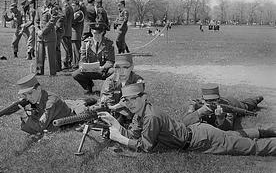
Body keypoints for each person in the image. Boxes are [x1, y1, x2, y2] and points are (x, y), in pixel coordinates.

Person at [98, 83, 276, 156]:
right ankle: (269, 130)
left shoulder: (150, 116)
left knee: (250, 148)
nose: (129, 104)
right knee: (235, 138)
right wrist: (115, 124)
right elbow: (134, 135)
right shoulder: (142, 112)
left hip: (202, 139)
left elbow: (145, 147)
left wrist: (119, 138)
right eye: (126, 101)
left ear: (144, 97)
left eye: (133, 99)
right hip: (200, 132)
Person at [15, 74, 95, 136]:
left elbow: (39, 127)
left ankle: (85, 101)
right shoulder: (36, 99)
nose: (28, 97)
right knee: (74, 102)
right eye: (24, 95)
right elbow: (33, 125)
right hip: (64, 106)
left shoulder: (50, 103)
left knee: (86, 106)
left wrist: (24, 116)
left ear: (39, 88)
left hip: (69, 116)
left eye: (30, 93)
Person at [182, 84, 265, 137]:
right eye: (208, 101)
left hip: (233, 103)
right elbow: (184, 123)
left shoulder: (227, 106)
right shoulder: (195, 104)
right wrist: (199, 112)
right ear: (203, 100)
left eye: (215, 100)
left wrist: (221, 119)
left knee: (246, 106)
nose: (212, 103)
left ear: (219, 98)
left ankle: (256, 99)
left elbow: (227, 129)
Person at [100, 53, 144, 126]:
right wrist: (116, 106)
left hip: (131, 110)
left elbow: (135, 100)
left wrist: (118, 105)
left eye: (125, 67)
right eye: (118, 67)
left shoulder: (138, 80)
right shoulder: (110, 80)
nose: (121, 71)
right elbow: (107, 100)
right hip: (115, 110)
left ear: (132, 67)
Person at [72, 22, 115, 94]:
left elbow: (110, 61)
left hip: (103, 70)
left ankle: (109, 88)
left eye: (99, 33)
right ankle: (89, 86)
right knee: (76, 74)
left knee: (115, 72)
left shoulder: (108, 43)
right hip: (89, 70)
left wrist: (103, 68)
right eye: (95, 33)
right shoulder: (86, 43)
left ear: (103, 32)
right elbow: (82, 59)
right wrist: (82, 66)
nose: (97, 36)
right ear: (92, 32)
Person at [34, 0, 58, 76]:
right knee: (40, 55)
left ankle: (52, 72)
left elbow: (52, 21)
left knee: (51, 55)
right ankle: (39, 71)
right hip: (40, 36)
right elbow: (36, 21)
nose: (46, 0)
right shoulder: (39, 9)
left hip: (50, 35)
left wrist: (42, 31)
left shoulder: (54, 9)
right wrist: (38, 31)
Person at [61, 0, 74, 70]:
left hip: (65, 31)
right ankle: (68, 63)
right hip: (68, 30)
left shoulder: (66, 8)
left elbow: (64, 19)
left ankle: (66, 63)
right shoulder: (71, 7)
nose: (61, 1)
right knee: (68, 47)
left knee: (65, 48)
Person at [71, 0, 84, 69]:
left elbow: (73, 21)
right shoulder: (74, 13)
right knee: (74, 50)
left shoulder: (79, 13)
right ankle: (75, 63)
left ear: (78, 6)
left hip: (76, 34)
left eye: (74, 6)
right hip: (73, 34)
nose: (72, 7)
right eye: (72, 5)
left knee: (77, 50)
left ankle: (79, 63)